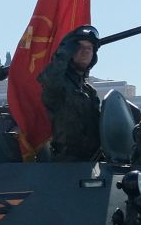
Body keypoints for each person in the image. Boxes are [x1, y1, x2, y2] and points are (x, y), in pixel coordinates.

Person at [37, 25, 104, 161]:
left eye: (89, 48)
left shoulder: (90, 92)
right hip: (66, 164)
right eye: (79, 48)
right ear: (69, 51)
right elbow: (50, 79)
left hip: (93, 161)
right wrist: (62, 55)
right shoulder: (60, 85)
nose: (85, 52)